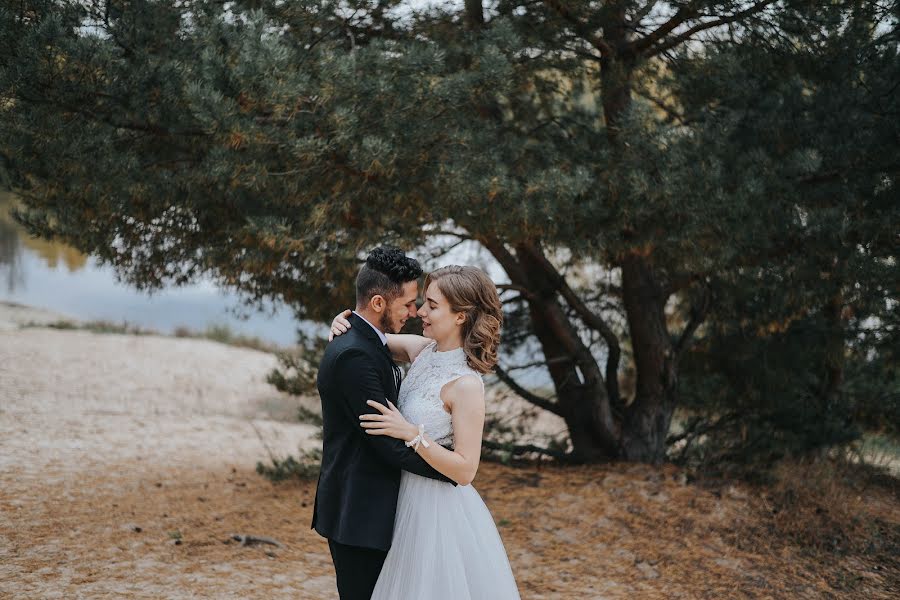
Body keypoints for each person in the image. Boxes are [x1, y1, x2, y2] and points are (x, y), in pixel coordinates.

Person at [329, 264, 521, 599]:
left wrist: (411, 433)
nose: (420, 312)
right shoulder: (421, 351)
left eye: (432, 306)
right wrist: (341, 322)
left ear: (461, 315)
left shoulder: (466, 385)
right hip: (399, 496)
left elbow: (465, 469)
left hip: (437, 509)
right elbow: (369, 339)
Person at [312, 246, 455, 600]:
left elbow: (430, 352)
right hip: (359, 513)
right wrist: (453, 469)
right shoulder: (354, 354)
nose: (415, 311)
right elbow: (386, 443)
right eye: (407, 303)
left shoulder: (369, 341)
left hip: (380, 508)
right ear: (378, 303)